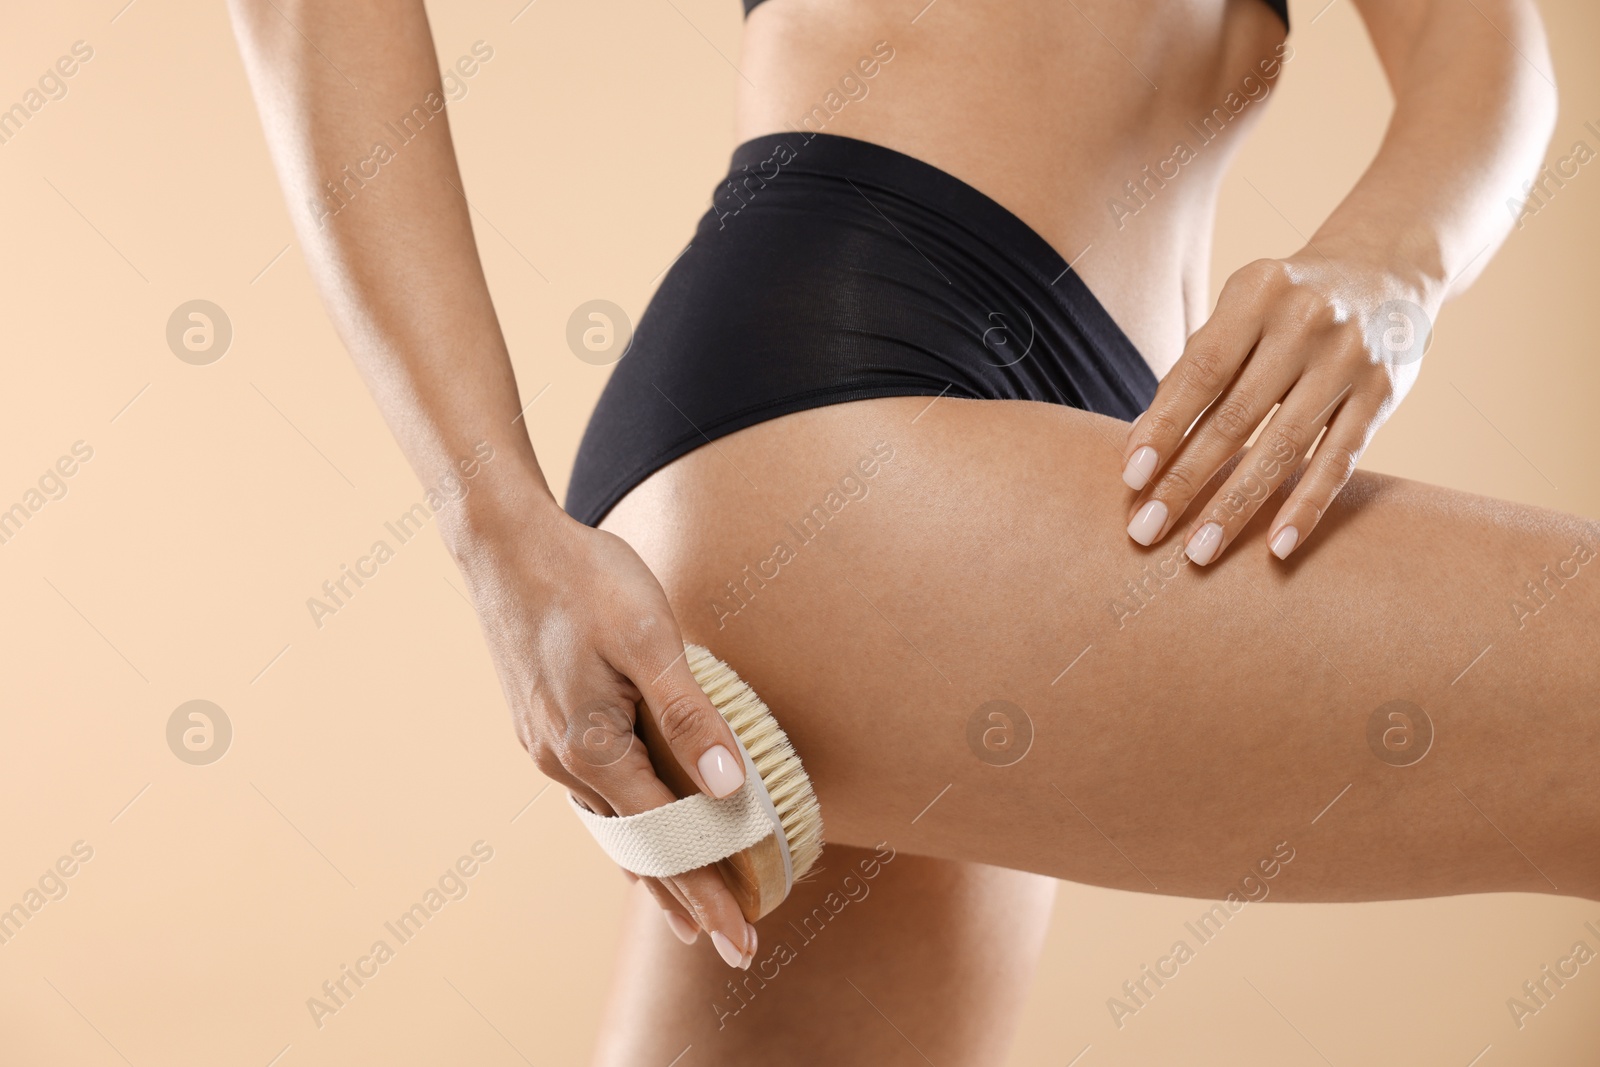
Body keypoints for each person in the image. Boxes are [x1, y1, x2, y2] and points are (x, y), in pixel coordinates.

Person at [231, 0, 1595, 1061]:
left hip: (1086, 445)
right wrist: (494, 529)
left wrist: (1390, 260)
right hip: (848, 393)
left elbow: (1481, 53)